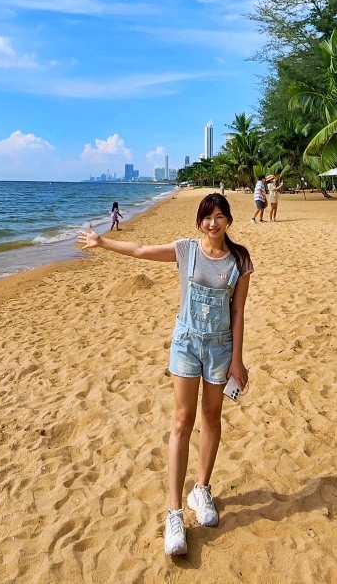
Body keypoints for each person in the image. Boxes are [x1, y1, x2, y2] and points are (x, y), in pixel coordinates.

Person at [76, 193, 252, 558]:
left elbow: (238, 313)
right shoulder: (185, 250)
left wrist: (238, 360)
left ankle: (201, 490)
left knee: (212, 418)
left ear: (229, 220)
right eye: (207, 217)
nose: (213, 224)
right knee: (182, 422)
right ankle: (174, 514)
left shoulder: (240, 260)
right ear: (199, 221)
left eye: (219, 217)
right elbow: (141, 250)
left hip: (221, 349)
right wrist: (103, 242)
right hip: (186, 343)